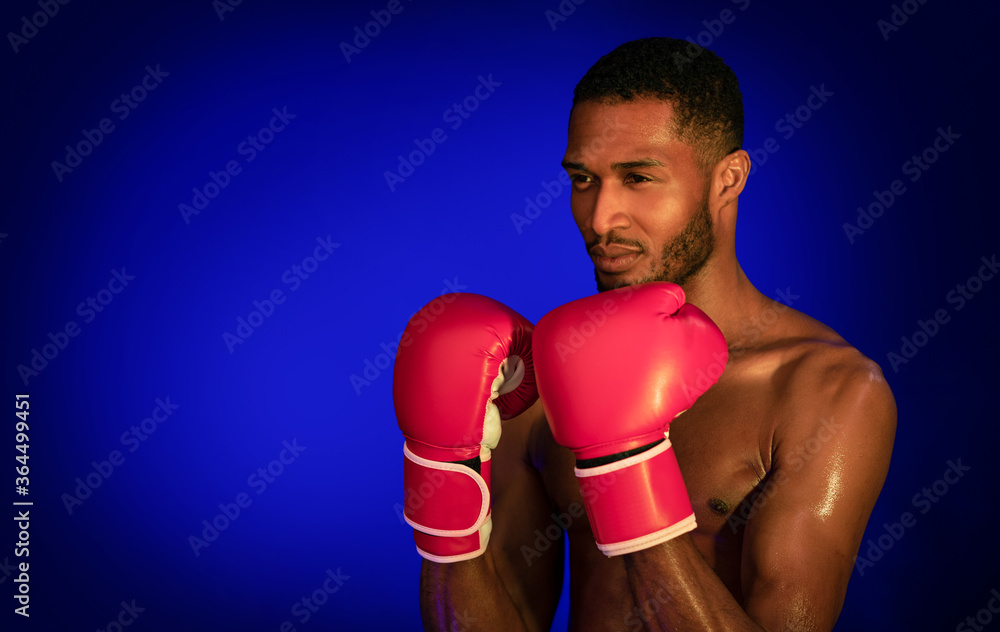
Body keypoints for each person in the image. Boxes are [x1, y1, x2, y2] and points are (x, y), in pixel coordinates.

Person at [393, 37, 896, 632]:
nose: (601, 218)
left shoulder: (827, 392)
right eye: (583, 179)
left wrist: (623, 465)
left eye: (637, 177)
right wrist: (444, 499)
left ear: (727, 180)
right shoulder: (538, 382)